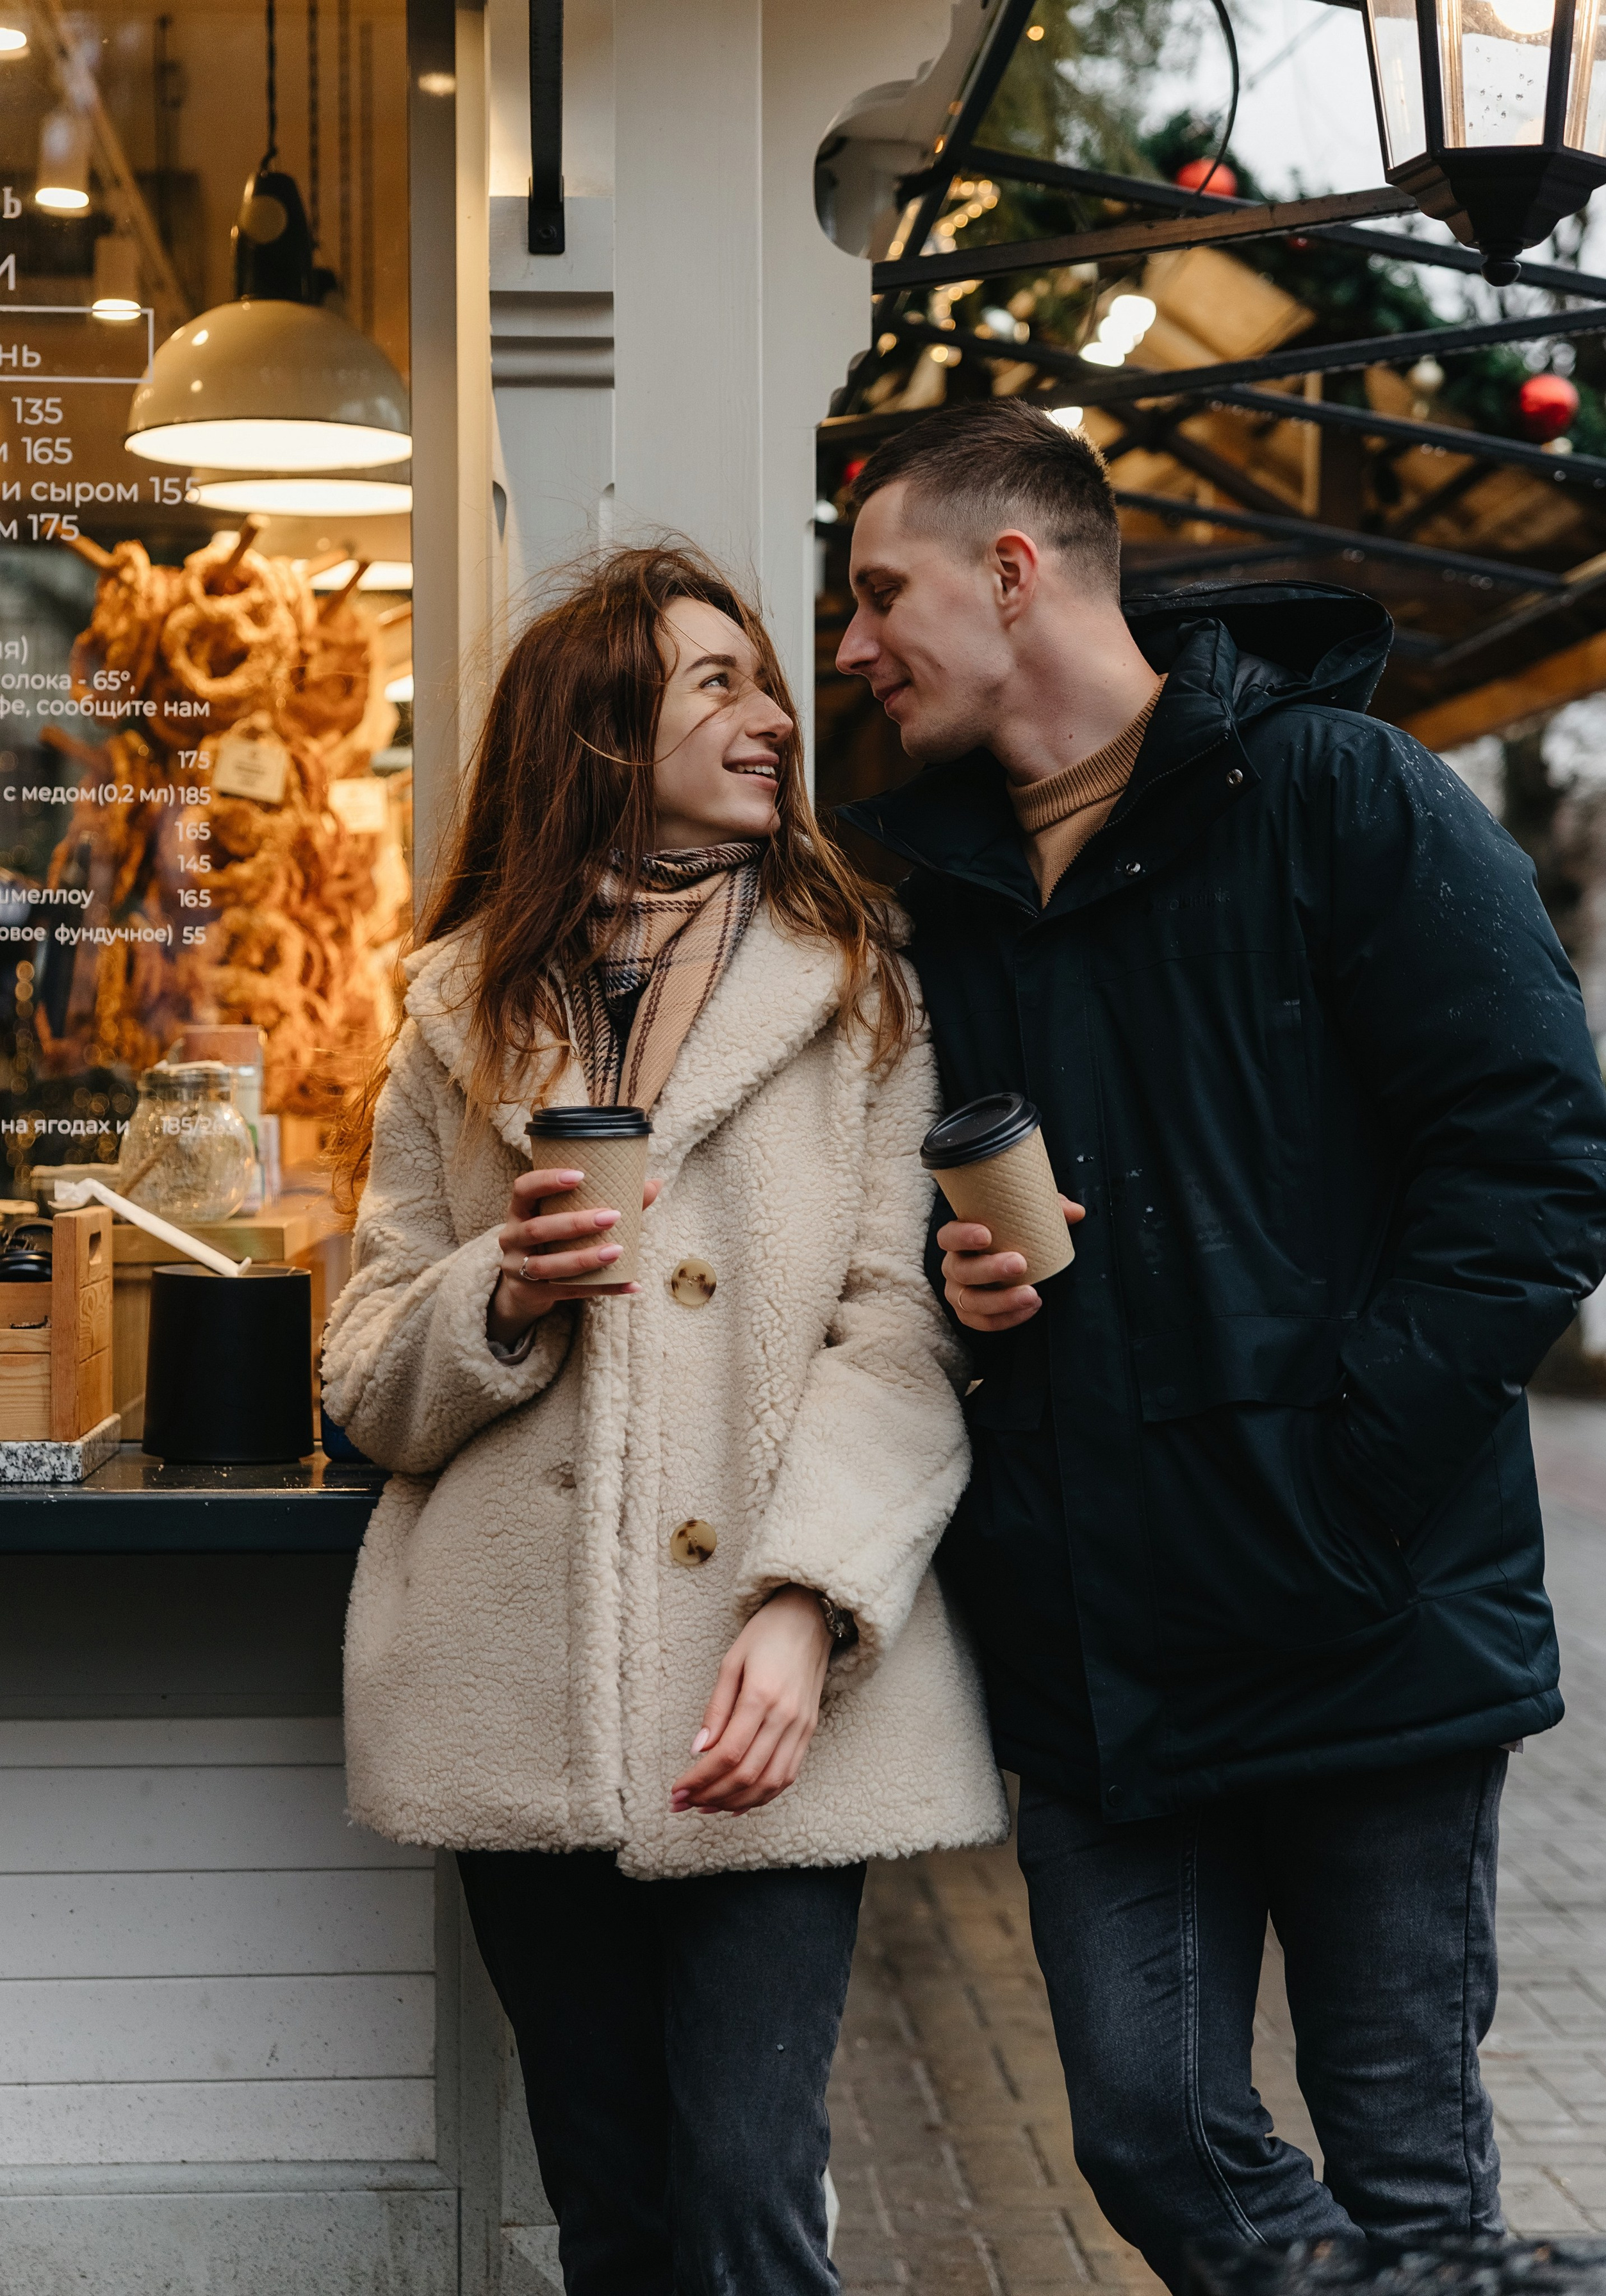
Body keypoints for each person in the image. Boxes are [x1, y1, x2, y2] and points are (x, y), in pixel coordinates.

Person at [833, 400, 1606, 2290]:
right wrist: (967, 1282)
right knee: (1151, 2134)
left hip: (1365, 1623)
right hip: (1103, 1653)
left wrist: (1343, 1480)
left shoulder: (1340, 793)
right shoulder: (940, 898)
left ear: (1010, 572)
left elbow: (1534, 1165)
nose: (851, 648)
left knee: (1407, 2161)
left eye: (878, 594)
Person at [322, 543, 1005, 2295]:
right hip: (516, 1686)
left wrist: (810, 1603)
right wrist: (500, 1293)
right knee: (611, 2210)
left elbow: (903, 1330)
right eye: (720, 683)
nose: (776, 714)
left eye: (765, 680)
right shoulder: (458, 1004)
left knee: (750, 2200)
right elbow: (368, 1370)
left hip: (764, 1692)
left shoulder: (862, 986)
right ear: (604, 733)